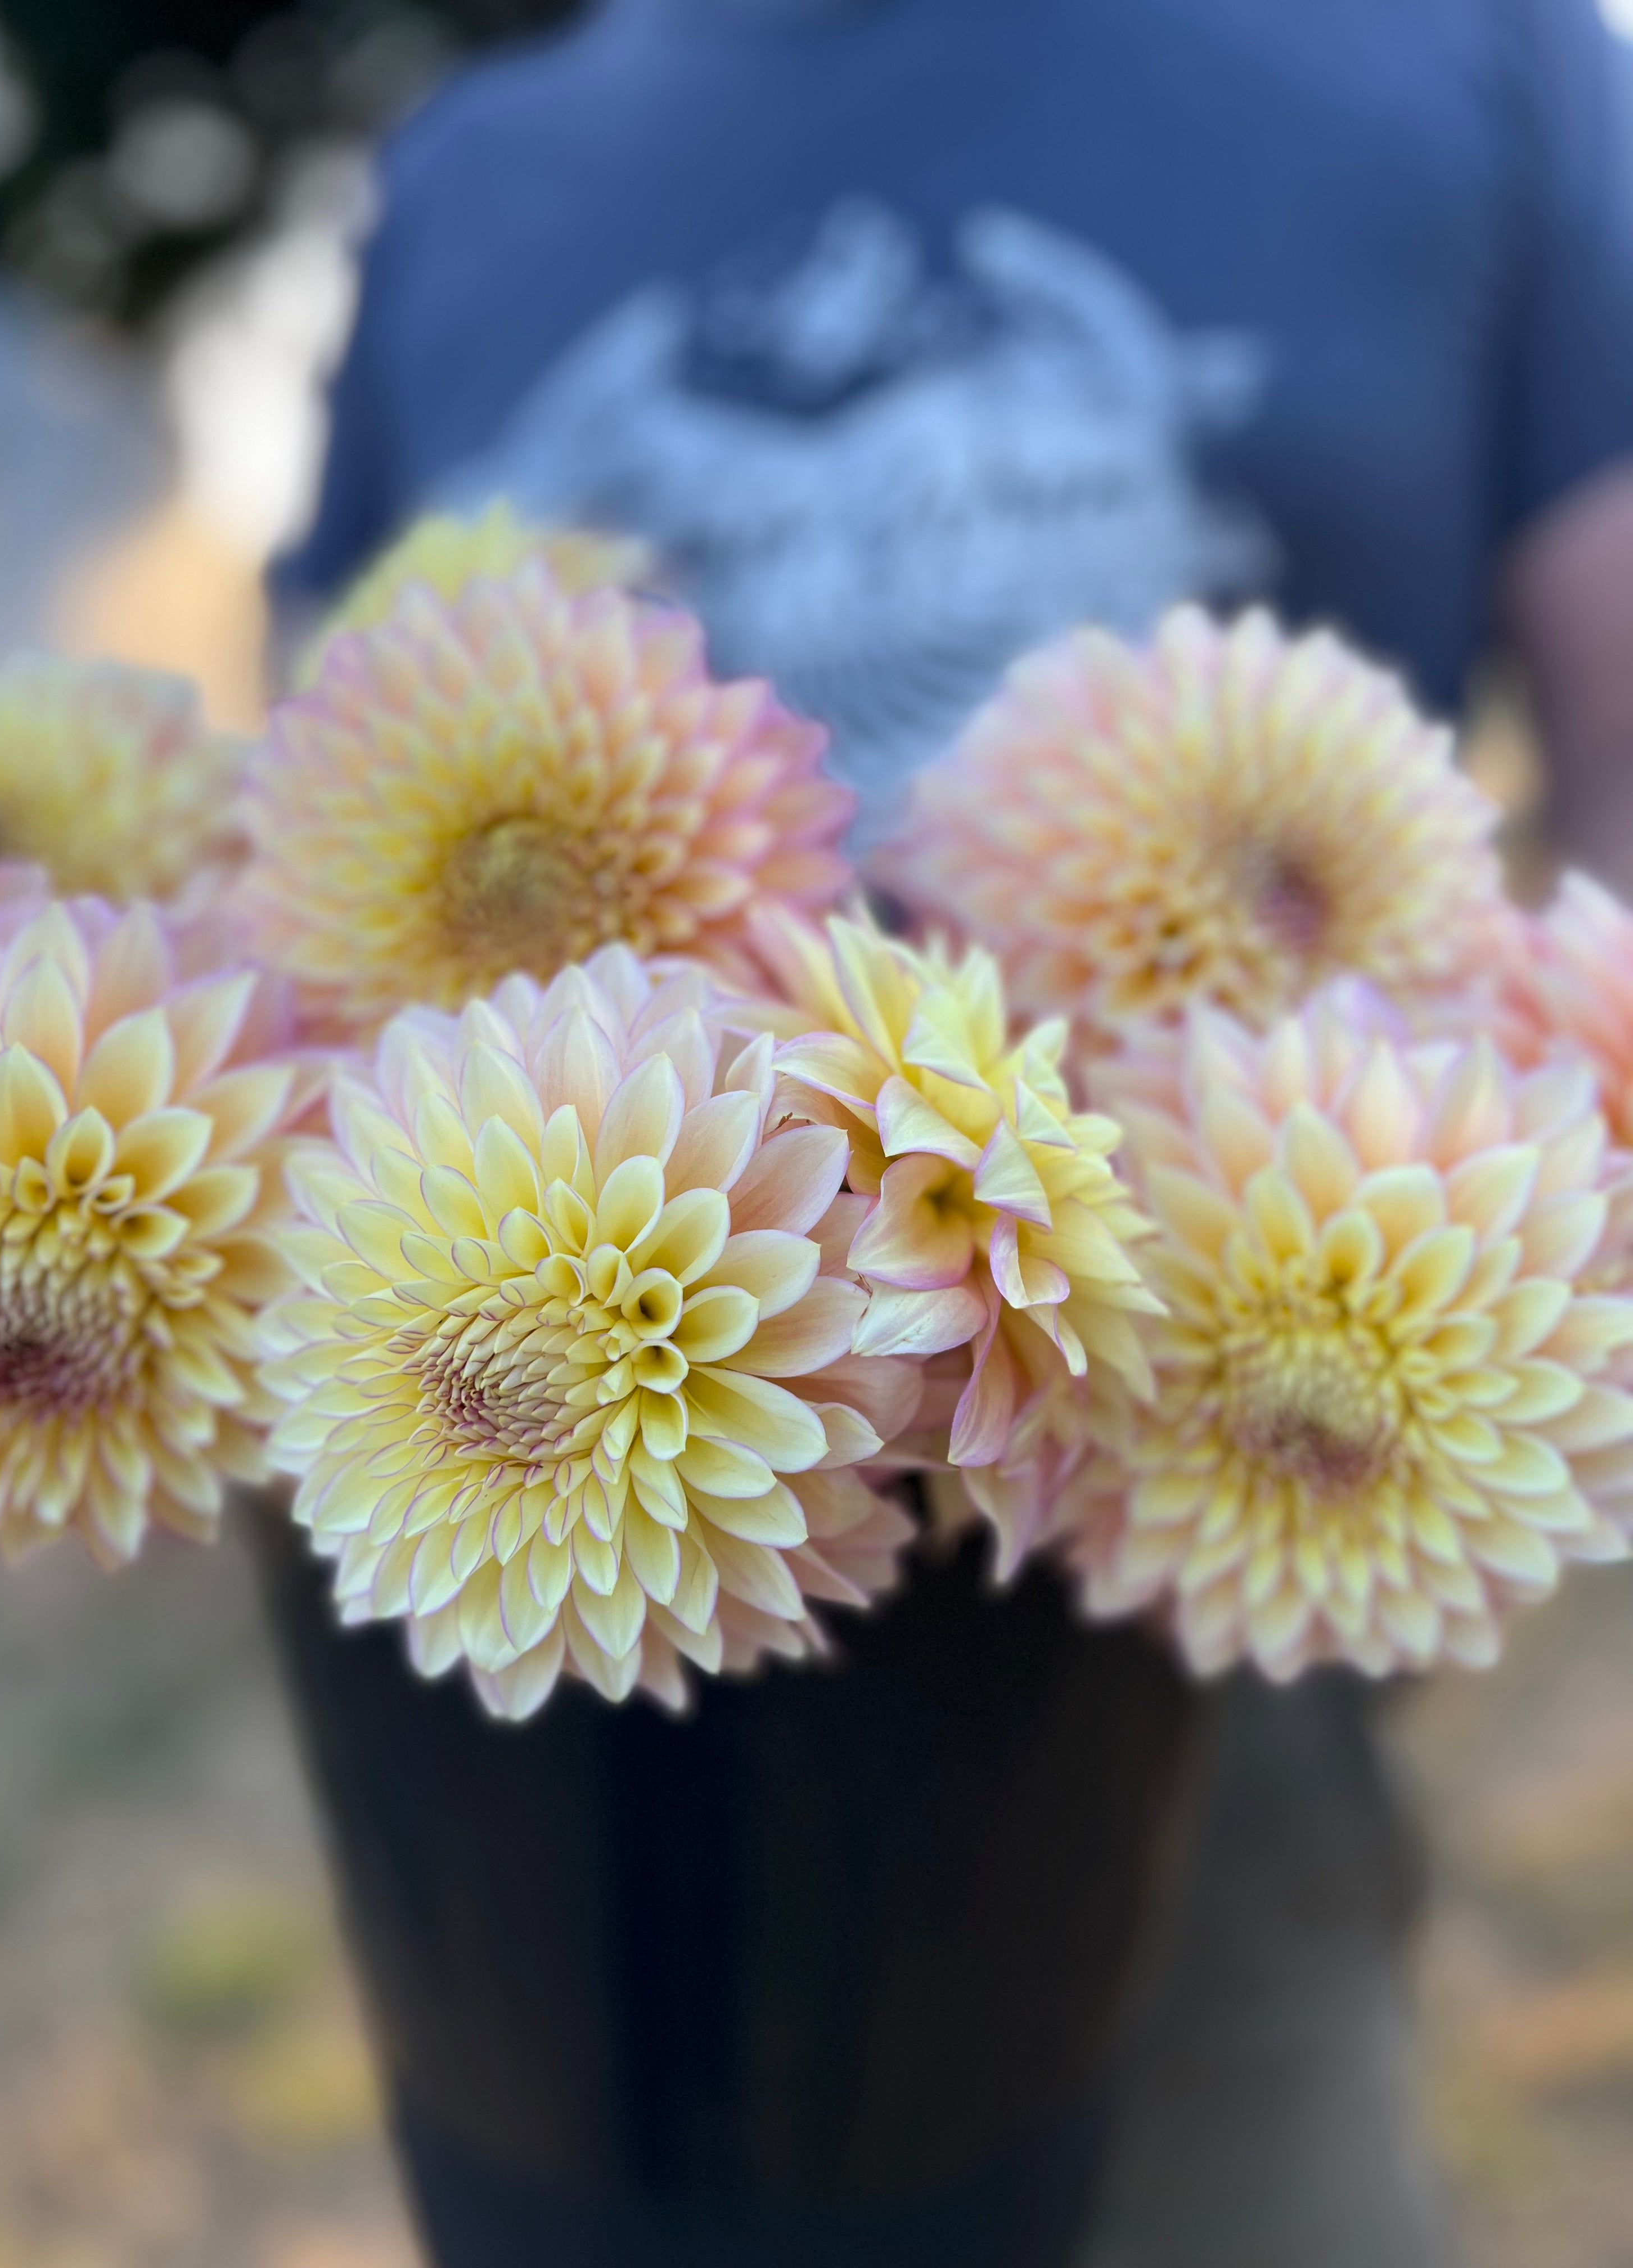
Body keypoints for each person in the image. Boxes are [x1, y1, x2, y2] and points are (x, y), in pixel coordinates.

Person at [281, 2, 1633, 2260]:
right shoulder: (454, 180)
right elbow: (312, 828)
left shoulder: (1470, 50)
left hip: (1173, 1559)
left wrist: (1519, 1209)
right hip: (546, 1673)